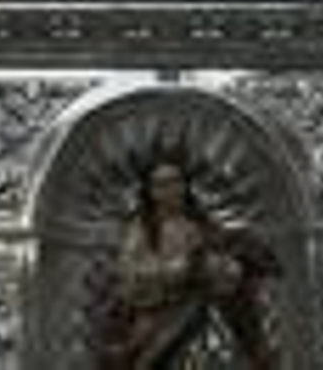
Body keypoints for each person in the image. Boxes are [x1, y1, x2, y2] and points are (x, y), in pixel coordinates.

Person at [97, 156, 277, 368]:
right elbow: (129, 275)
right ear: (151, 191)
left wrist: (230, 263)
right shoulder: (141, 230)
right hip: (157, 312)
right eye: (163, 184)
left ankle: (255, 353)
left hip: (203, 311)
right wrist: (175, 269)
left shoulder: (200, 225)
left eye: (176, 182)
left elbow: (220, 259)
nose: (171, 190)